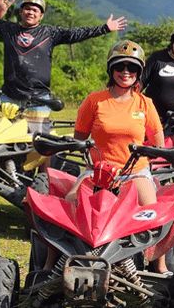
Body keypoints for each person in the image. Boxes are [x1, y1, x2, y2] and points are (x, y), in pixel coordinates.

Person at [0, 0, 127, 133]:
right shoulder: (8, 29)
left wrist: (105, 28)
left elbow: (76, 33)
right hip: (9, 97)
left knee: (39, 146)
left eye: (35, 10)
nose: (30, 12)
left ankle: (45, 173)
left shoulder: (49, 33)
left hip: (39, 99)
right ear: (21, 11)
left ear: (41, 15)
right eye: (27, 8)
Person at [69, 40, 168, 273]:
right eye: (120, 66)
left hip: (134, 172)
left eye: (132, 68)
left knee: (153, 213)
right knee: (68, 203)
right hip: (97, 171)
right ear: (111, 70)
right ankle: (50, 264)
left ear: (139, 73)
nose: (125, 72)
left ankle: (158, 265)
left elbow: (158, 142)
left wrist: (154, 153)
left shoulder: (145, 103)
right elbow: (79, 138)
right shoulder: (95, 100)